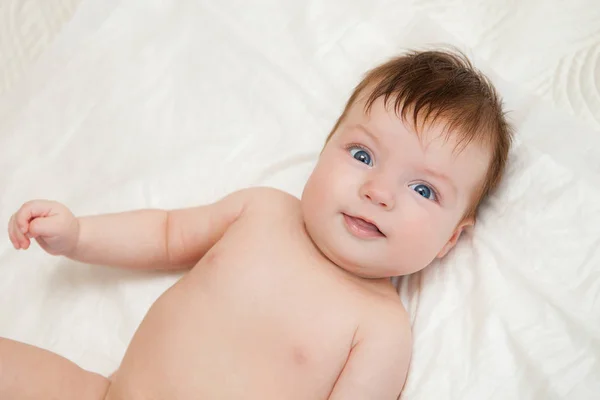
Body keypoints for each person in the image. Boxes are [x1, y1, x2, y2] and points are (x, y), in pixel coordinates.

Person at [3, 48, 512, 399]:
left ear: (451, 238)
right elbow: (164, 234)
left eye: (423, 190)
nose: (377, 192)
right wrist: (78, 234)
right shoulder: (262, 211)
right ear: (324, 150)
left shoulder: (380, 330)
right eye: (362, 154)